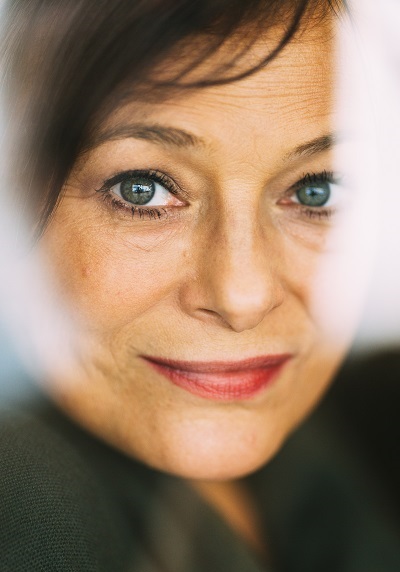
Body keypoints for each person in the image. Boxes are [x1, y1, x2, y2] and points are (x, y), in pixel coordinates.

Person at [0, 0, 399, 570]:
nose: (242, 297)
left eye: (315, 190)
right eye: (141, 190)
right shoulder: (26, 506)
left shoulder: (363, 427)